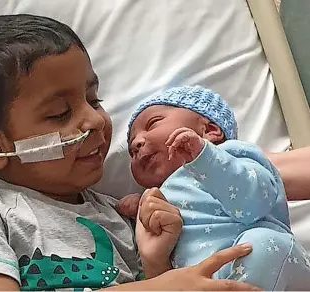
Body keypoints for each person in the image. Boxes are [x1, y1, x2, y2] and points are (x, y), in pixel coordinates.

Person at [0, 14, 309, 291]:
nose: (95, 122)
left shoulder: (122, 216)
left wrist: (155, 264)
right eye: (60, 113)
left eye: (94, 100)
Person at [121, 85, 310, 290]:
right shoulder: (161, 195)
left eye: (152, 124)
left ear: (210, 130)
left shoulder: (233, 155)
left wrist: (207, 159)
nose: (137, 143)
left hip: (267, 258)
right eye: (131, 150)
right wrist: (140, 207)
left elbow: (255, 203)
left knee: (260, 244)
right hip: (208, 280)